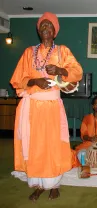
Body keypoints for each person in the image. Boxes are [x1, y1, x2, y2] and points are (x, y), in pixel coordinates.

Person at [10, 12, 83, 201]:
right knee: (35, 147)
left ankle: (54, 184)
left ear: (55, 32)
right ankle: (38, 185)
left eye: (49, 26)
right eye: (42, 26)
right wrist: (35, 80)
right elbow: (18, 79)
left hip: (52, 107)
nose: (45, 29)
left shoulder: (62, 51)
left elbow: (77, 71)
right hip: (32, 107)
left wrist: (60, 70)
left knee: (52, 146)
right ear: (38, 30)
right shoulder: (28, 52)